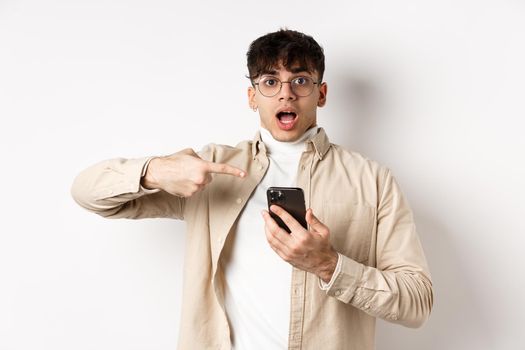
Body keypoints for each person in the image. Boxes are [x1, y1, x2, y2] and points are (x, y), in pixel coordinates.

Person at [71, 29, 433, 350]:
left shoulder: (373, 180)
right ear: (251, 96)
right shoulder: (210, 169)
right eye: (270, 81)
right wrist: (155, 171)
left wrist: (328, 264)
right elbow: (87, 192)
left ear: (321, 94)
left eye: (301, 80)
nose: (286, 95)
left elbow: (417, 302)